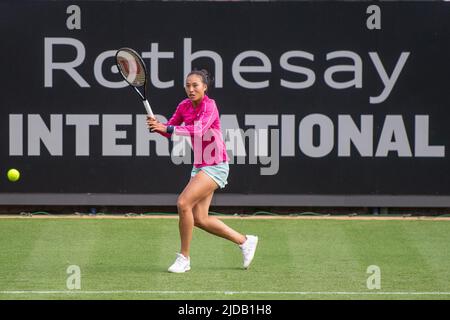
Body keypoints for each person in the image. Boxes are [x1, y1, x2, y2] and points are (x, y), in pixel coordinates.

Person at [147, 69, 258, 273]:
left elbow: (198, 130)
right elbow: (171, 130)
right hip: (200, 165)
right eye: (188, 85)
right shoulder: (184, 106)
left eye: (195, 85)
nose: (191, 89)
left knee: (183, 203)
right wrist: (158, 127)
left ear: (205, 87)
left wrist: (167, 128)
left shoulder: (210, 106)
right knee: (200, 218)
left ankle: (184, 258)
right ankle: (245, 241)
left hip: (216, 164)